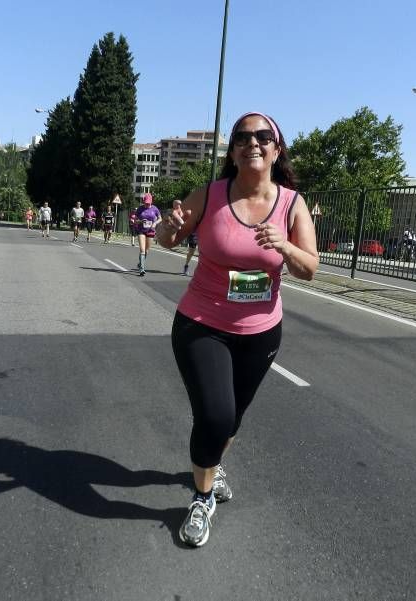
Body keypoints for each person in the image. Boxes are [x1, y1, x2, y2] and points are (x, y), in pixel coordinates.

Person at [156, 112, 318, 547]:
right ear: (231, 151)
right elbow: (167, 237)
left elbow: (310, 269)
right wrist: (167, 227)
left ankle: (211, 464)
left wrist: (284, 245)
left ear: (276, 148)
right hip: (202, 323)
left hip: (262, 331)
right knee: (215, 414)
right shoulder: (210, 195)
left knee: (233, 417)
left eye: (264, 136)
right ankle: (201, 496)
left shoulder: (292, 204)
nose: (253, 143)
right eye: (243, 137)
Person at [134, 193, 161, 277]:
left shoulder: (155, 209)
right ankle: (142, 269)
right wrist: (140, 221)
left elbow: (160, 218)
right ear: (143, 201)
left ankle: (140, 263)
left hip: (151, 231)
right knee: (142, 249)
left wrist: (155, 223)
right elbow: (135, 220)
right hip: (141, 230)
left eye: (149, 203)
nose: (147, 204)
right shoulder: (140, 209)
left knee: (146, 251)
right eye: (146, 203)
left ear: (151, 202)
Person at [173, 199, 198, 276]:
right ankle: (186, 265)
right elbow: (181, 221)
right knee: (191, 252)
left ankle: (201, 271)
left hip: (203, 232)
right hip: (193, 233)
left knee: (205, 253)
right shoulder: (187, 211)